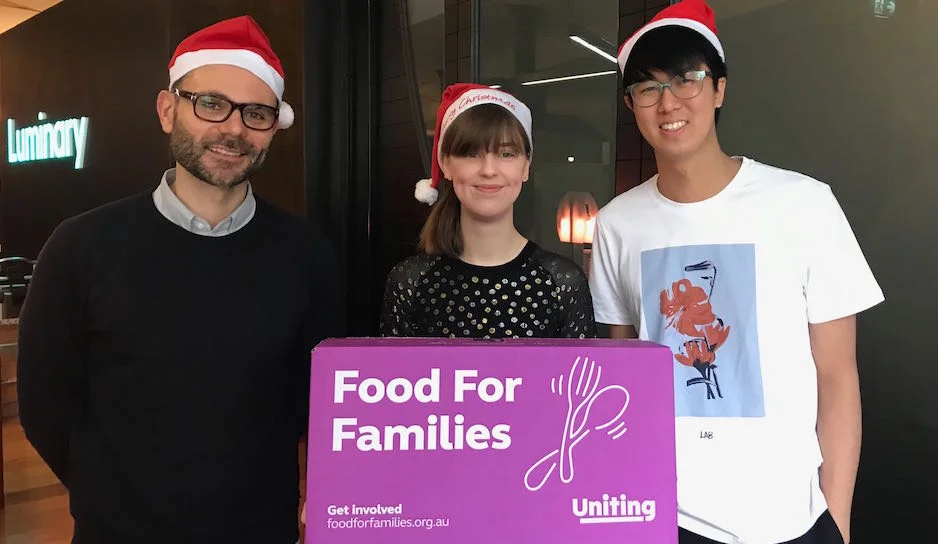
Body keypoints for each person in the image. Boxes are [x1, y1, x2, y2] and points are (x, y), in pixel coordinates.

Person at [17, 16, 340, 544]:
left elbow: (319, 403)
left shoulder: (306, 254)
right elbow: (43, 403)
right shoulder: (82, 246)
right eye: (211, 104)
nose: (234, 129)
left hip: (261, 530)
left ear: (273, 127)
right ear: (168, 110)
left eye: (256, 113)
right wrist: (106, 497)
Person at [589, 2, 884, 543]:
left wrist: (837, 517)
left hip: (790, 518)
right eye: (648, 88)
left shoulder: (804, 204)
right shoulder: (616, 225)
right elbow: (623, 373)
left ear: (719, 89)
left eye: (687, 79)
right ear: (631, 105)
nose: (668, 102)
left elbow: (837, 375)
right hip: (665, 514)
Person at [379, 83, 595, 339]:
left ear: (526, 166)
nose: (489, 170)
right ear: (445, 164)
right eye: (471, 154)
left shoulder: (563, 283)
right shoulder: (410, 282)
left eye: (506, 154)